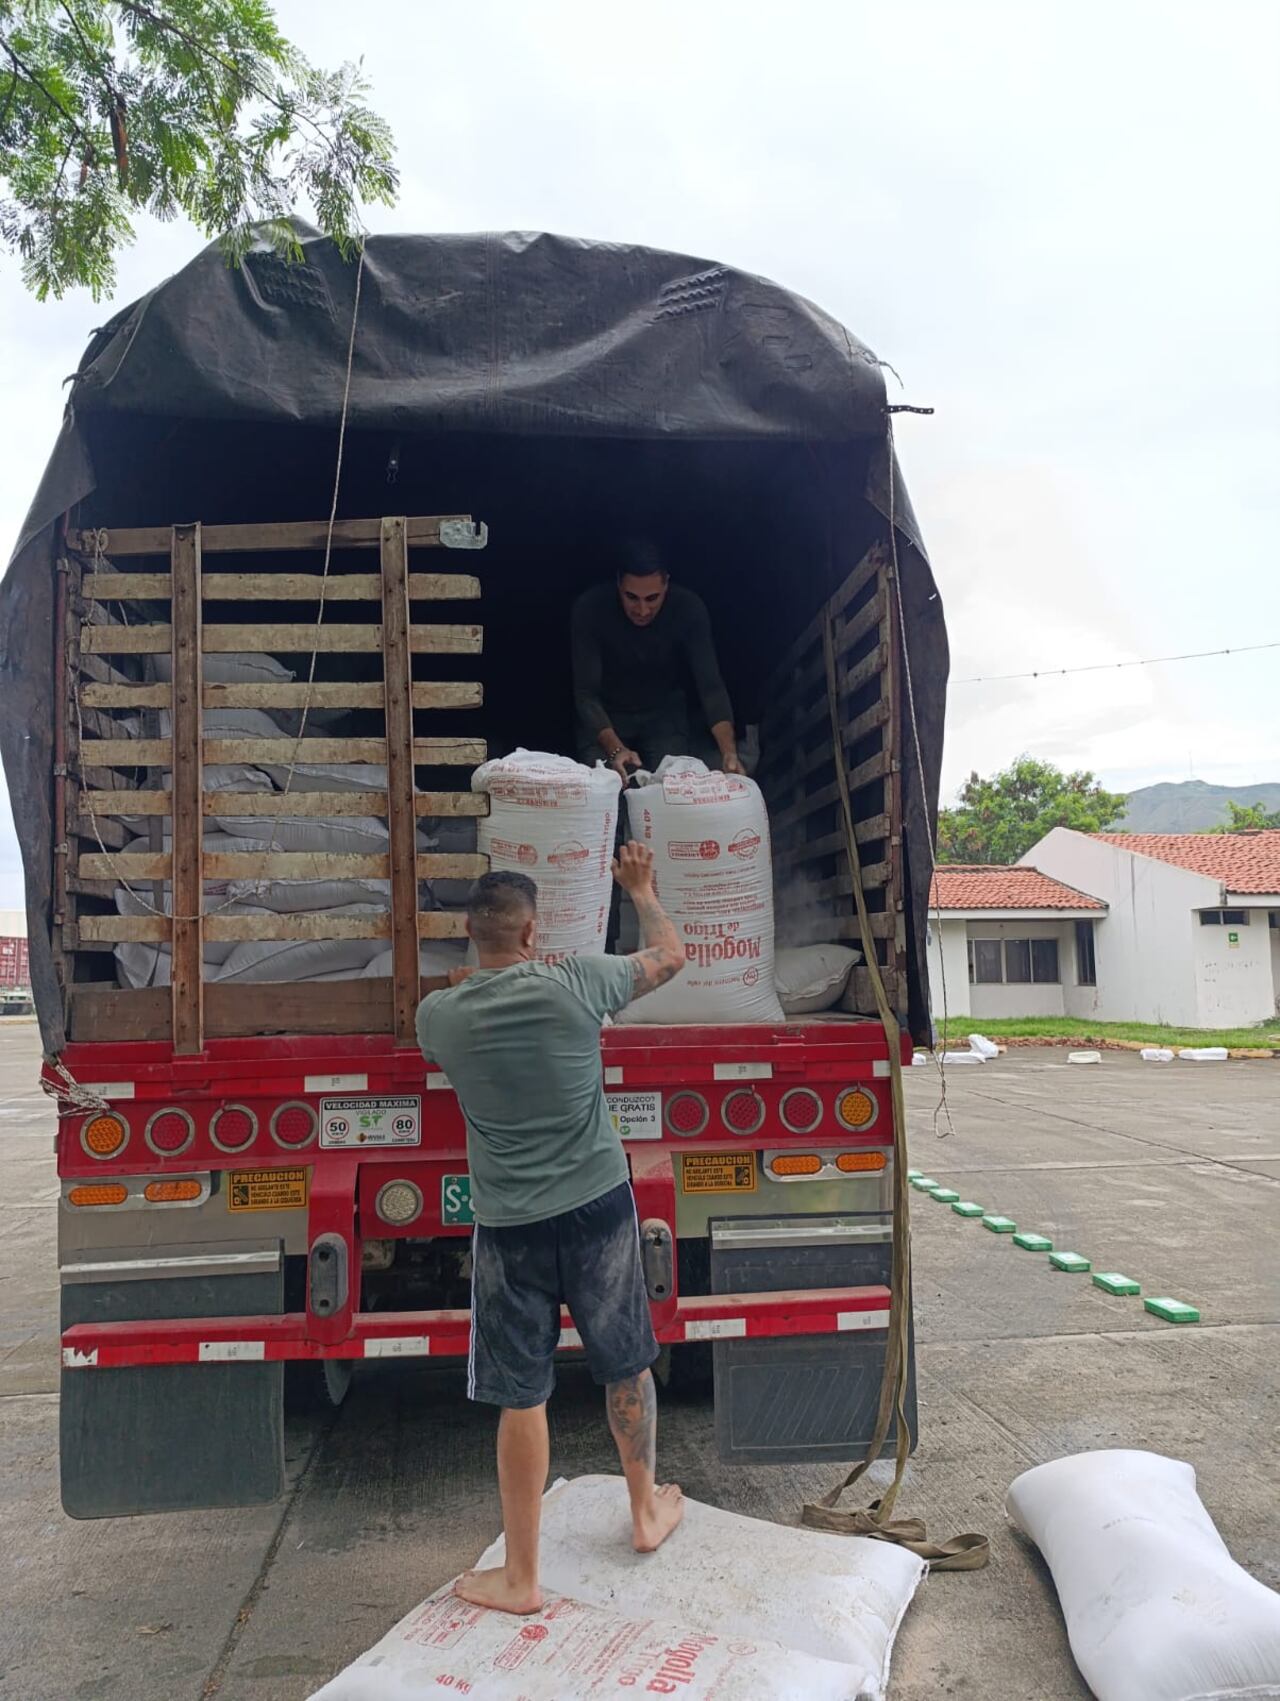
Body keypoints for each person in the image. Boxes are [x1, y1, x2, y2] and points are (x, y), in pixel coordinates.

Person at [415, 844, 688, 1615]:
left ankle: (522, 1577)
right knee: (624, 1362)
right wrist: (640, 886)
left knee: (522, 1392)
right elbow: (671, 956)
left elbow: (442, 1023)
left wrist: (472, 986)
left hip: (509, 1226)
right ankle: (643, 1513)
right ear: (535, 933)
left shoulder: (440, 1016)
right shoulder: (579, 982)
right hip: (600, 1204)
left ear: (473, 935)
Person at [571, 540, 743, 782]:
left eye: (652, 598)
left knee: (673, 790)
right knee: (605, 791)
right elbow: (585, 694)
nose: (642, 610)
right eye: (631, 597)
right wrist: (616, 750)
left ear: (667, 585)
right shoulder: (590, 609)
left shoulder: (689, 609)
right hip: (605, 715)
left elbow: (711, 687)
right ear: (618, 583)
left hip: (664, 713)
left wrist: (729, 753)